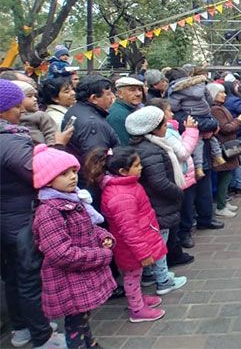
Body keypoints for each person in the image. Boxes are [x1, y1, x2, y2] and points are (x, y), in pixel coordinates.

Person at [0, 80, 68, 349]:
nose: (22, 111)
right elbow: (42, 174)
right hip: (19, 219)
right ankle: (42, 335)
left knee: (13, 276)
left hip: (7, 216)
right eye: (16, 106)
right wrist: (58, 147)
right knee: (28, 277)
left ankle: (22, 328)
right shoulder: (9, 142)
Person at [31, 144, 116, 349]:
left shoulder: (71, 200)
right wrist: (101, 255)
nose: (72, 177)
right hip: (69, 279)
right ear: (48, 180)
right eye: (64, 173)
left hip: (79, 275)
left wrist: (103, 236)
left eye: (73, 171)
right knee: (75, 324)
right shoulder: (49, 212)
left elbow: (87, 228)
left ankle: (90, 343)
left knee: (82, 317)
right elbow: (61, 253)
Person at [84, 147, 167, 323]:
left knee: (135, 275)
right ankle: (137, 309)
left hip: (136, 241)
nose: (141, 167)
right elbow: (129, 230)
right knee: (132, 276)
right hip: (130, 246)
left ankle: (138, 299)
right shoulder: (121, 196)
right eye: (137, 165)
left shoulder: (126, 186)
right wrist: (143, 253)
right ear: (122, 171)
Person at [125, 106, 188, 294]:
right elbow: (159, 182)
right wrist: (178, 192)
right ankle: (163, 280)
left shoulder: (144, 146)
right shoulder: (151, 150)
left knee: (153, 240)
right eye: (164, 124)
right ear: (152, 128)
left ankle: (149, 275)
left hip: (152, 202)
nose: (167, 127)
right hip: (158, 204)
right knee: (159, 243)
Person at [148, 99, 201, 248]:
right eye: (169, 111)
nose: (172, 113)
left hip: (184, 175)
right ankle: (182, 237)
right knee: (184, 209)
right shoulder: (166, 134)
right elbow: (183, 152)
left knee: (186, 207)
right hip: (181, 176)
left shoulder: (170, 129)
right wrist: (191, 131)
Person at [166, 68, 223, 178]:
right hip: (205, 113)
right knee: (211, 138)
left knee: (198, 142)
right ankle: (218, 156)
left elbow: (174, 107)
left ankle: (198, 167)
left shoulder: (176, 90)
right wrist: (213, 123)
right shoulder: (200, 85)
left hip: (192, 115)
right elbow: (210, 100)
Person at [62, 75, 120, 179]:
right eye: (108, 94)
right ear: (94, 98)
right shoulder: (93, 124)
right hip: (89, 181)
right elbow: (95, 163)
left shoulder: (75, 109)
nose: (112, 96)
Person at [208, 83, 241, 218]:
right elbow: (226, 128)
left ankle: (224, 202)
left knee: (227, 175)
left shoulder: (221, 107)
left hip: (228, 145)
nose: (224, 95)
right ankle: (221, 205)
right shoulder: (216, 110)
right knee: (224, 176)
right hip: (224, 146)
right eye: (221, 93)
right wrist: (239, 121)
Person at [13, 80, 57, 145]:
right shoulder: (11, 118)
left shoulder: (40, 116)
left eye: (35, 96)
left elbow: (51, 133)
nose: (35, 99)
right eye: (29, 96)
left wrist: (51, 147)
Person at [107, 77, 145, 145]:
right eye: (132, 90)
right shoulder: (117, 115)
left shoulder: (132, 109)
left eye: (139, 89)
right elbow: (123, 146)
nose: (138, 94)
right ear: (120, 93)